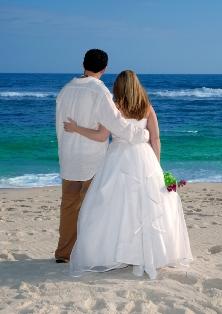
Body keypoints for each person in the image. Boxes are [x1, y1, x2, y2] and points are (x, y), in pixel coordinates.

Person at [64, 70, 193, 279]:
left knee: (114, 205)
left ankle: (117, 254)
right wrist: (157, 167)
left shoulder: (114, 108)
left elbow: (100, 136)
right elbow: (156, 139)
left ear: (117, 87)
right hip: (145, 158)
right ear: (137, 86)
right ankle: (146, 254)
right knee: (147, 206)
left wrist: (76, 128)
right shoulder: (147, 108)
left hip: (118, 159)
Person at [55, 50, 149, 263]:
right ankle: (87, 253)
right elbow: (116, 124)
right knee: (92, 207)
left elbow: (59, 125)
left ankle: (64, 253)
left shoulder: (65, 90)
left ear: (83, 64)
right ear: (105, 69)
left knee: (69, 206)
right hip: (92, 160)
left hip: (68, 156)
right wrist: (141, 134)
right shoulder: (99, 91)